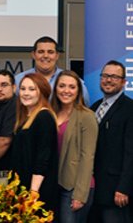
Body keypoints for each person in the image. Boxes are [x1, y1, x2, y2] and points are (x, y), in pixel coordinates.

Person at [51, 70, 98, 223]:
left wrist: (80, 194)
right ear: (55, 88)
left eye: (72, 87)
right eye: (62, 86)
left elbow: (88, 156)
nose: (66, 91)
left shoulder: (86, 116)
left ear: (78, 91)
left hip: (75, 187)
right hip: (54, 184)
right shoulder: (50, 113)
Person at [90, 60, 133, 222]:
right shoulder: (94, 107)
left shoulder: (130, 109)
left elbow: (131, 153)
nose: (108, 80)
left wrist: (124, 188)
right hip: (95, 190)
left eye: (114, 77)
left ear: (123, 82)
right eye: (105, 76)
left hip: (116, 192)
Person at [11, 73, 58, 213]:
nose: (26, 93)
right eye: (23, 89)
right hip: (23, 188)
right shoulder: (25, 118)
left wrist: (33, 192)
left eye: (32, 89)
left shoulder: (44, 117)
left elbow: (43, 157)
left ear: (42, 92)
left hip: (36, 192)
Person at [14, 36, 90, 105]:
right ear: (33, 55)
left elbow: (84, 106)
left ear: (57, 56)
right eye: (41, 52)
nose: (46, 56)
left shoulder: (71, 81)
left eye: (50, 52)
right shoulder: (19, 80)